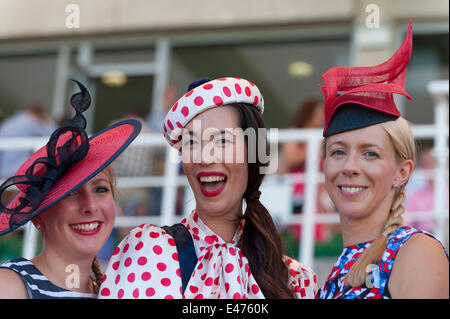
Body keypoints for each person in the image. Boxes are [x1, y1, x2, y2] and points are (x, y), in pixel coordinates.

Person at [99, 77, 317, 299]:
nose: (205, 157)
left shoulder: (295, 280)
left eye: (222, 140)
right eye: (191, 142)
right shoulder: (149, 253)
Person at [316, 21, 448, 299]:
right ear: (323, 164)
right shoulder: (336, 274)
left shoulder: (416, 252)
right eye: (338, 151)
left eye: (370, 153)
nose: (350, 167)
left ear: (402, 172)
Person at [0, 80, 141, 299]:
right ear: (38, 217)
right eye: (70, 193)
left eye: (101, 190)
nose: (90, 205)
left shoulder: (116, 292)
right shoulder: (9, 286)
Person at [0, 104, 57, 178]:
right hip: (21, 172)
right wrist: (48, 121)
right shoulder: (31, 122)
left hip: (4, 170)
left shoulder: (8, 123)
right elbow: (55, 134)